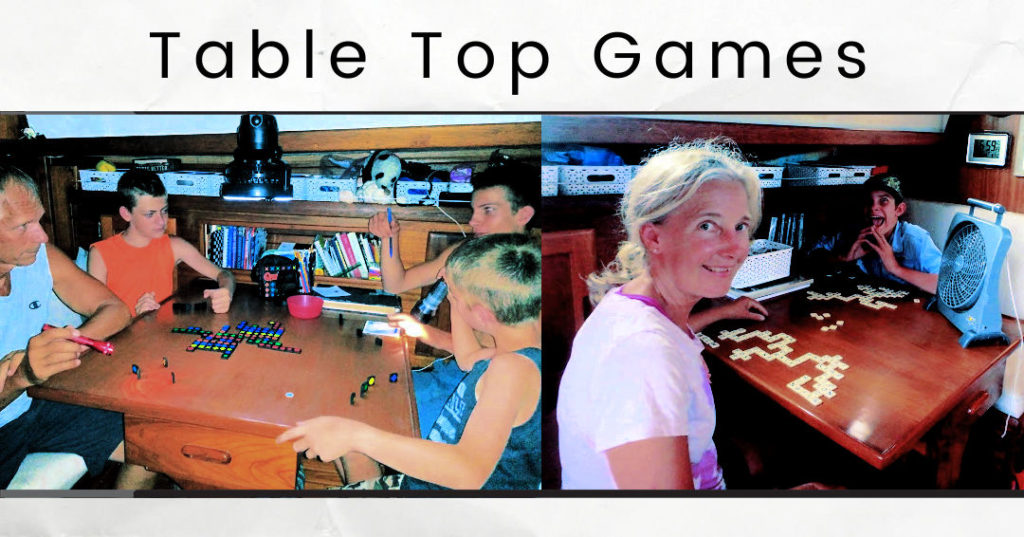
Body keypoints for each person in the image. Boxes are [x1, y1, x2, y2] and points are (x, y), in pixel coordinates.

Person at [556, 141, 767, 490]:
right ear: (654, 236)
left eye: (741, 226)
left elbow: (671, 337)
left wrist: (726, 311)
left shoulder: (634, 304)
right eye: (708, 226)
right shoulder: (642, 355)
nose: (735, 247)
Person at [277, 233, 541, 489]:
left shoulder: (511, 370)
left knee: (347, 433)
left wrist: (356, 434)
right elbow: (468, 358)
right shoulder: (519, 350)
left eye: (455, 299)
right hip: (429, 478)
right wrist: (457, 290)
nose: (451, 300)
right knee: (342, 426)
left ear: (482, 315)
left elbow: (467, 473)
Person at [0, 164, 153, 489]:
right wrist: (23, 375)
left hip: (36, 407)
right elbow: (20, 379)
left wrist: (74, 343)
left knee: (151, 438)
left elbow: (115, 310)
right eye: (22, 226)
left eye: (38, 220)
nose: (41, 235)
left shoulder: (42, 257)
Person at [368, 161, 539, 431]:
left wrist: (426, 334)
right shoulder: (465, 253)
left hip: (483, 390)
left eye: (488, 210)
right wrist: (389, 238)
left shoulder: (531, 274)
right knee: (365, 399)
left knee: (381, 421)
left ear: (523, 215)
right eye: (474, 210)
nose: (473, 221)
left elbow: (501, 357)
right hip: (450, 374)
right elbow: (396, 284)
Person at [88, 169, 236, 316]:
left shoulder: (174, 245)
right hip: (124, 337)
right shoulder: (100, 254)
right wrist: (135, 317)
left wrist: (226, 291)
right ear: (126, 214)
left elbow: (224, 274)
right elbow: (94, 315)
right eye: (150, 214)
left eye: (164, 211)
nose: (161, 221)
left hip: (164, 333)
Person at [808, 174, 941, 294]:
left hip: (909, 309)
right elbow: (811, 255)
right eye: (868, 202)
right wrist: (842, 258)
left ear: (899, 210)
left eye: (883, 201)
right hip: (866, 307)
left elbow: (945, 286)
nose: (873, 208)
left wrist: (895, 268)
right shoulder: (854, 232)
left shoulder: (915, 239)